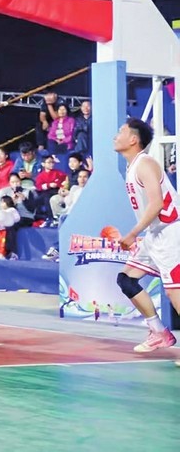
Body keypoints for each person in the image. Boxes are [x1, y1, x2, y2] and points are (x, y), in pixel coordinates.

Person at [111, 118, 180, 353]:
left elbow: (157, 204)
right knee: (126, 280)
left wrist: (132, 234)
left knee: (174, 291)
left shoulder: (145, 163)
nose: (115, 136)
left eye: (121, 131)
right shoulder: (132, 166)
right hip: (155, 234)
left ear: (133, 139)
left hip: (171, 233)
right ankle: (159, 332)